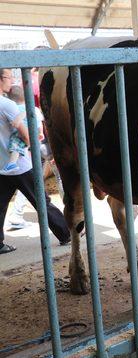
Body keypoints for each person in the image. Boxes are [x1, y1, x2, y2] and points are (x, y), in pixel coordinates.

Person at [0, 68, 70, 254]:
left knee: (0, 204)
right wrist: (33, 140)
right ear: (0, 80)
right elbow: (25, 136)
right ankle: (66, 233)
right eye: (8, 76)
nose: (12, 79)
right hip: (19, 165)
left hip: (2, 165)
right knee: (42, 201)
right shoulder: (7, 105)